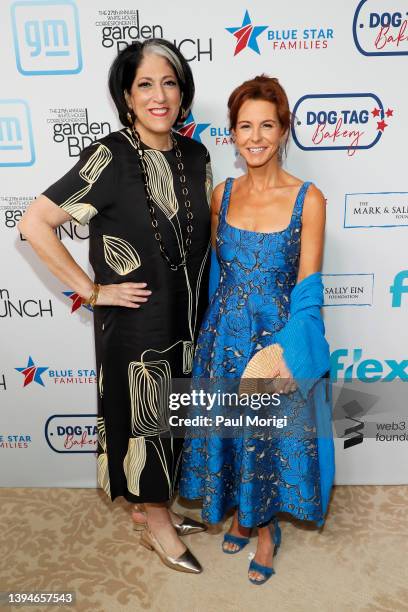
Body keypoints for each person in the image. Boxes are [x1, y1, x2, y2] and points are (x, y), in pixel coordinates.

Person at [18, 39, 213, 575]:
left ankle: (152, 506)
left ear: (183, 93)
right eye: (145, 84)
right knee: (145, 418)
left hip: (188, 321)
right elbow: (35, 224)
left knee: (175, 420)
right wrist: (92, 289)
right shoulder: (109, 156)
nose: (159, 95)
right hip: (134, 325)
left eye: (169, 82)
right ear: (126, 96)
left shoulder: (196, 155)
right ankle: (155, 522)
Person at [179, 75, 334, 584]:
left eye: (267, 124)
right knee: (233, 435)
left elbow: (309, 288)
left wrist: (290, 352)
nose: (256, 136)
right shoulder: (221, 195)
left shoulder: (308, 200)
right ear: (232, 133)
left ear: (284, 129)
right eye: (244, 126)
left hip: (274, 343)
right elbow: (214, 274)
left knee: (268, 440)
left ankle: (267, 531)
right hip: (222, 340)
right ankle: (243, 516)